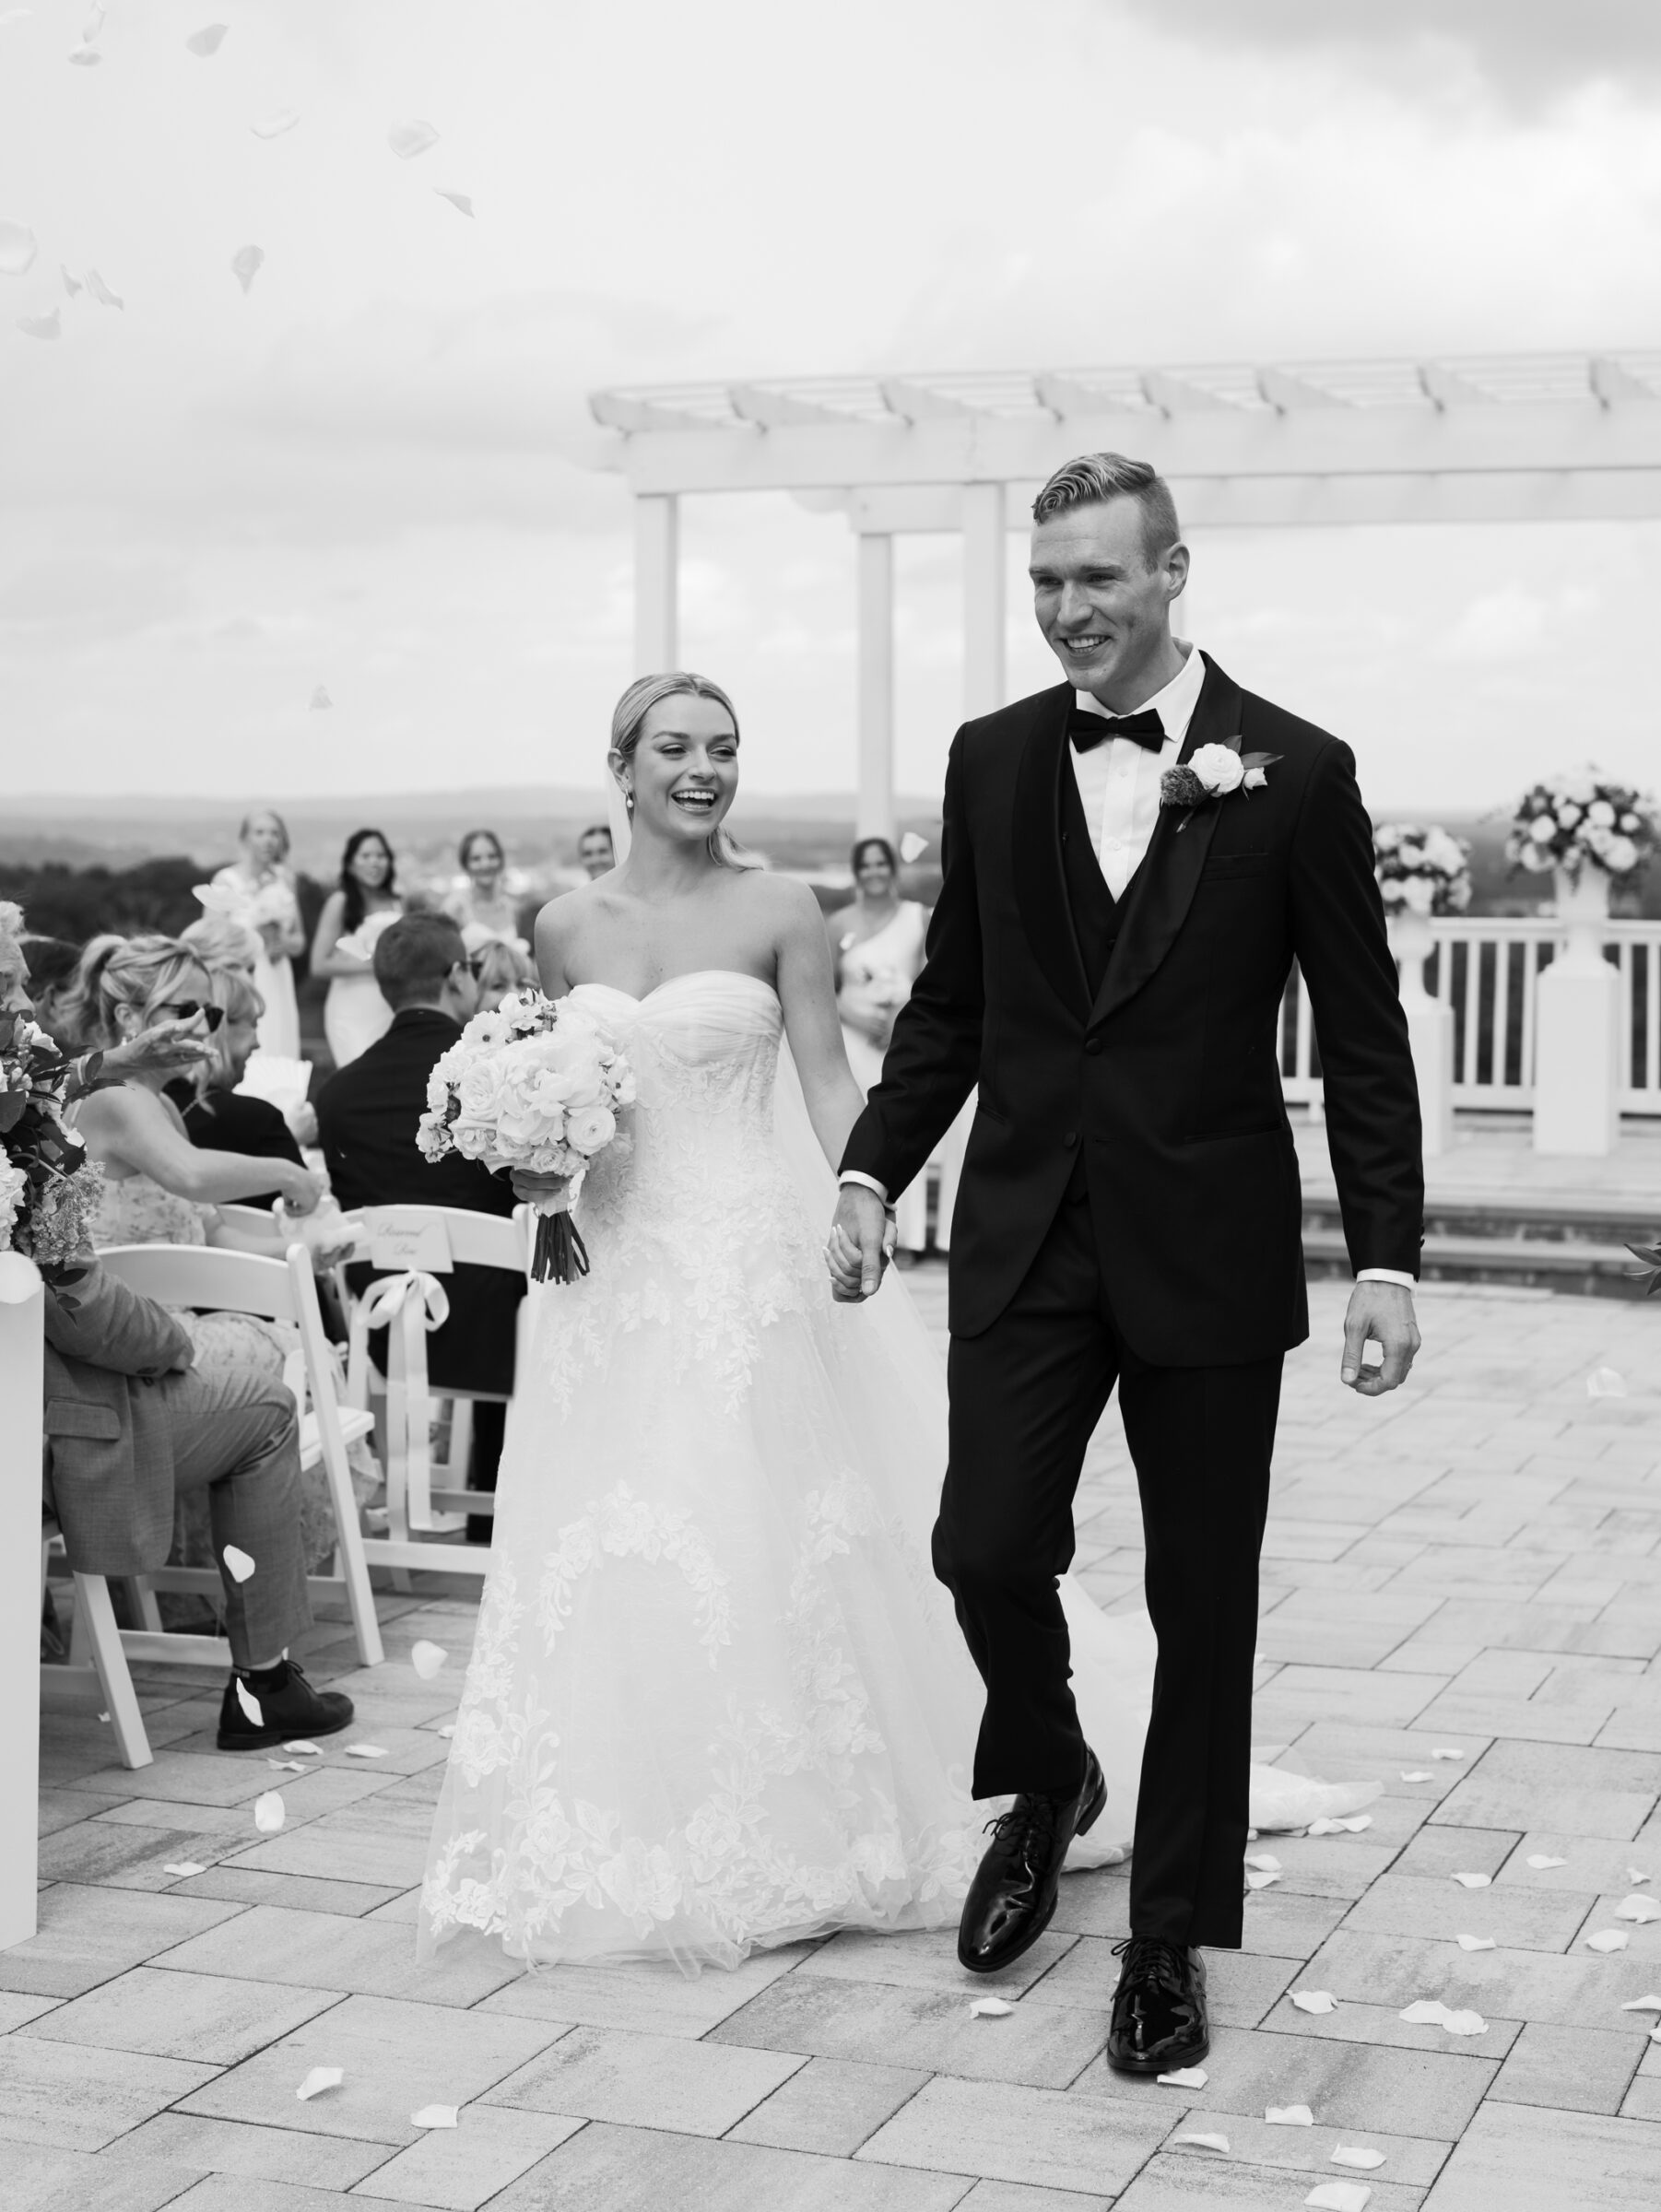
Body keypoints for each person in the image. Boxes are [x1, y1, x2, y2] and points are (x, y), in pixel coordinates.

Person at [419, 672, 1163, 1973]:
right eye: (674, 748)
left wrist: (859, 1196)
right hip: (610, 1278)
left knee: (748, 1520)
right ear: (622, 765)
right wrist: (540, 1169)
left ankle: (822, 1812)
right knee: (623, 1534)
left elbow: (825, 1073)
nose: (701, 770)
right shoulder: (560, 926)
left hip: (747, 1262)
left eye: (722, 748)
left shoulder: (781, 910)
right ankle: (644, 1805)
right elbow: (570, 1092)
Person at [830, 452, 1424, 2077]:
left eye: (1096, 579)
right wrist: (874, 1167)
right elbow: (950, 1000)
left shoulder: (1292, 771)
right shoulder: (993, 758)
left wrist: (1389, 1257)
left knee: (1201, 1597)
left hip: (1209, 1246)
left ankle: (1169, 1934)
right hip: (1026, 1228)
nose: (1067, 611)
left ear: (1172, 572)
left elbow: (1362, 1040)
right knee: (980, 1541)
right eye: (1045, 584)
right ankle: (1050, 1772)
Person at [0, 924, 352, 1752]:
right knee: (266, 1405)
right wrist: (174, 1343)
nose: (27, 1003)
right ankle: (263, 1681)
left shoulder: (60, 1102)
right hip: (50, 1433)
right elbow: (76, 1298)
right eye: (6, 988)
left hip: (44, 1403)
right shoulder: (32, 1142)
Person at [315, 913, 523, 1540]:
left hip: (387, 1327)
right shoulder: (498, 1073)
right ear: (457, 976)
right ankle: (503, 1505)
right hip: (499, 1326)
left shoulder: (339, 1094)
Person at [61, 935, 326, 1248]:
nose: (201, 1030)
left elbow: (214, 1235)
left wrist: (310, 1249)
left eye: (210, 1015)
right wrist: (289, 1174)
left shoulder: (164, 1105)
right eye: (186, 1011)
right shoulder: (116, 1095)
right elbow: (190, 1175)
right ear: (128, 1017)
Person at [830, 835, 932, 1258]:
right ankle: (855, 1224)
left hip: (901, 1044)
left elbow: (932, 983)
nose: (874, 872)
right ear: (857, 873)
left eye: (881, 864)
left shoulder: (917, 918)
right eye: (865, 866)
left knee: (907, 1129)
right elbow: (823, 990)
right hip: (854, 1045)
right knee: (861, 1131)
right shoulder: (838, 925)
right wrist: (856, 1017)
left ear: (893, 869)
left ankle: (907, 1238)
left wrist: (898, 1022)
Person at [166, 963, 306, 1208]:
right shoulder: (259, 1120)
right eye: (253, 1025)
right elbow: (309, 1212)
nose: (258, 1043)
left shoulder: (149, 1105)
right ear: (220, 1027)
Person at [208, 808, 306, 1059]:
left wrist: (282, 943)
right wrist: (254, 938)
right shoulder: (226, 881)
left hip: (278, 975)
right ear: (245, 838)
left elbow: (300, 941)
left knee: (279, 1040)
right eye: (260, 832)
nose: (268, 840)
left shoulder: (285, 879)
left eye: (275, 833)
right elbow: (210, 939)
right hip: (244, 976)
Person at [311, 828, 402, 1070]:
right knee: (358, 1070)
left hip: (390, 1006)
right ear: (351, 864)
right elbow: (318, 964)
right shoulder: (340, 903)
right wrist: (371, 965)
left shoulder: (397, 901)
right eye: (366, 856)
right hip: (352, 1008)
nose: (375, 862)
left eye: (381, 856)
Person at [444, 829, 526, 952]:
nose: (485, 864)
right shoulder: (455, 908)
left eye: (492, 856)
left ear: (501, 861)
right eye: (476, 859)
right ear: (465, 865)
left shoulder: (513, 908)